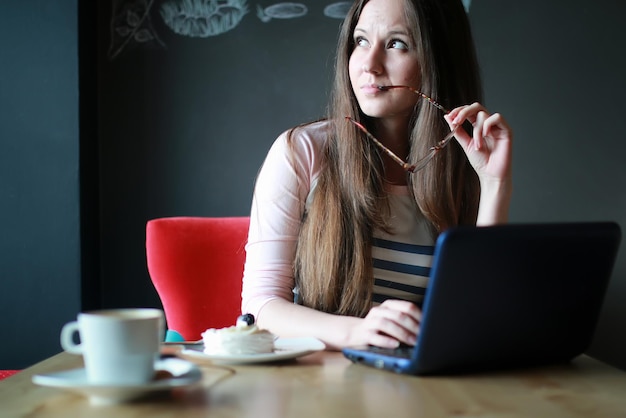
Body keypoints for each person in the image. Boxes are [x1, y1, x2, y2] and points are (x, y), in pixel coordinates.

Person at [241, 0, 513, 350]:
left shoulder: (463, 164)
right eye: (361, 41)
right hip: (316, 384)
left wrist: (494, 183)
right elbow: (260, 308)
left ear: (438, 59)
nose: (369, 65)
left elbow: (479, 314)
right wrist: (357, 332)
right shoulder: (301, 151)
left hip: (424, 389)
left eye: (397, 43)